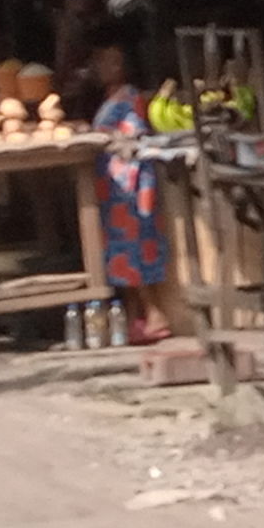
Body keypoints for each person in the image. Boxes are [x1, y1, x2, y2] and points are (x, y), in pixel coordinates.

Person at [89, 28, 172, 345]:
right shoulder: (112, 97)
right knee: (120, 252)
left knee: (133, 251)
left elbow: (132, 138)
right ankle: (137, 318)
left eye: (112, 61)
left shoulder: (130, 97)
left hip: (128, 186)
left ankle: (154, 314)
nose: (103, 67)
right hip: (113, 187)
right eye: (100, 61)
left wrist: (101, 137)